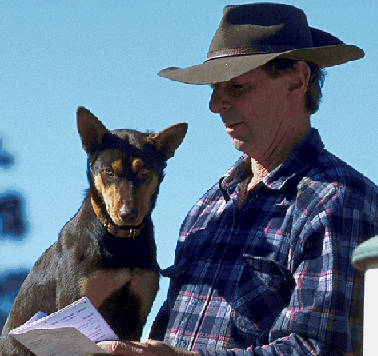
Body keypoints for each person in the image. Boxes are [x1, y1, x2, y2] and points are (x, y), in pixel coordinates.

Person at [98, 3, 378, 355]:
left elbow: (322, 349)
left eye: (238, 86)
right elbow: (167, 340)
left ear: (297, 79)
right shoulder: (209, 207)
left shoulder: (338, 202)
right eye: (214, 88)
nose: (216, 104)